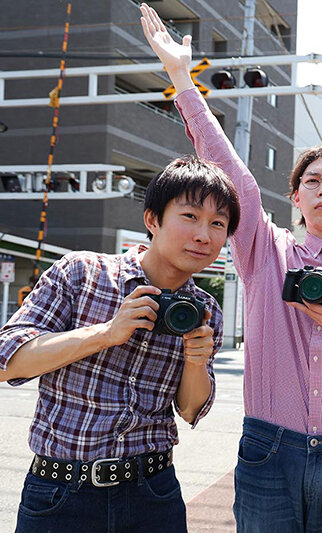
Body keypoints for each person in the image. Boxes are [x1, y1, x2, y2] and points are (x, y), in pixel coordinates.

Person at [139, 5, 322, 532]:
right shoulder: (265, 249)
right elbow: (232, 172)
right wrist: (181, 79)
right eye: (312, 182)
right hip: (268, 447)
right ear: (296, 197)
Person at [0, 155, 241, 533]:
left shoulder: (203, 309)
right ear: (152, 220)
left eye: (218, 224)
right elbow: (6, 361)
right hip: (61, 492)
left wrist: (196, 361)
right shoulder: (82, 273)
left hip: (153, 494)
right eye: (190, 216)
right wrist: (106, 333)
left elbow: (192, 410)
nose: (203, 235)